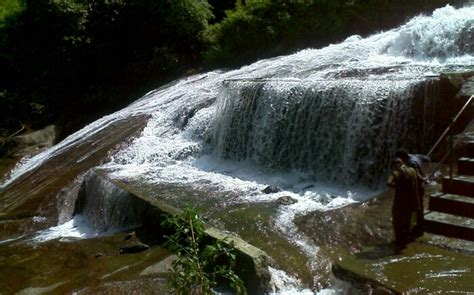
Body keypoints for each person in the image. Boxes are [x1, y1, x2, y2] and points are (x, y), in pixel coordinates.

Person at [386, 157, 421, 249]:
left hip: (400, 202)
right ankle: (407, 238)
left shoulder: (396, 173)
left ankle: (399, 241)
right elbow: (417, 180)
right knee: (408, 220)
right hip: (411, 201)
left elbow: (388, 183)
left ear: (394, 166)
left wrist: (397, 186)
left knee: (397, 221)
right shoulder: (412, 170)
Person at [395, 148, 430, 236]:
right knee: (417, 206)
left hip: (418, 187)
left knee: (417, 206)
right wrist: (426, 171)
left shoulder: (411, 163)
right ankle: (417, 225)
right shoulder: (416, 155)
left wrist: (424, 178)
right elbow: (427, 159)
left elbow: (418, 175)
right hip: (417, 185)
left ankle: (419, 227)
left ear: (402, 158)